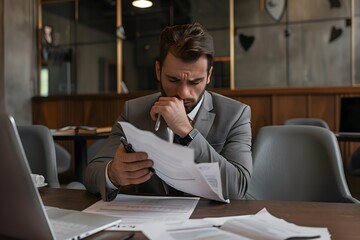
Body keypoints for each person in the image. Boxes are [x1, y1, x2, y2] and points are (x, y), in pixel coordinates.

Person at [84, 22, 252, 201]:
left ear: (209, 75)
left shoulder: (236, 114)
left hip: (209, 220)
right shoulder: (134, 111)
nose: (183, 93)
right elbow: (91, 175)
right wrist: (113, 174)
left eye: (195, 82)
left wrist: (187, 132)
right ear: (158, 71)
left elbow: (237, 188)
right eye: (173, 79)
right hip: (149, 220)